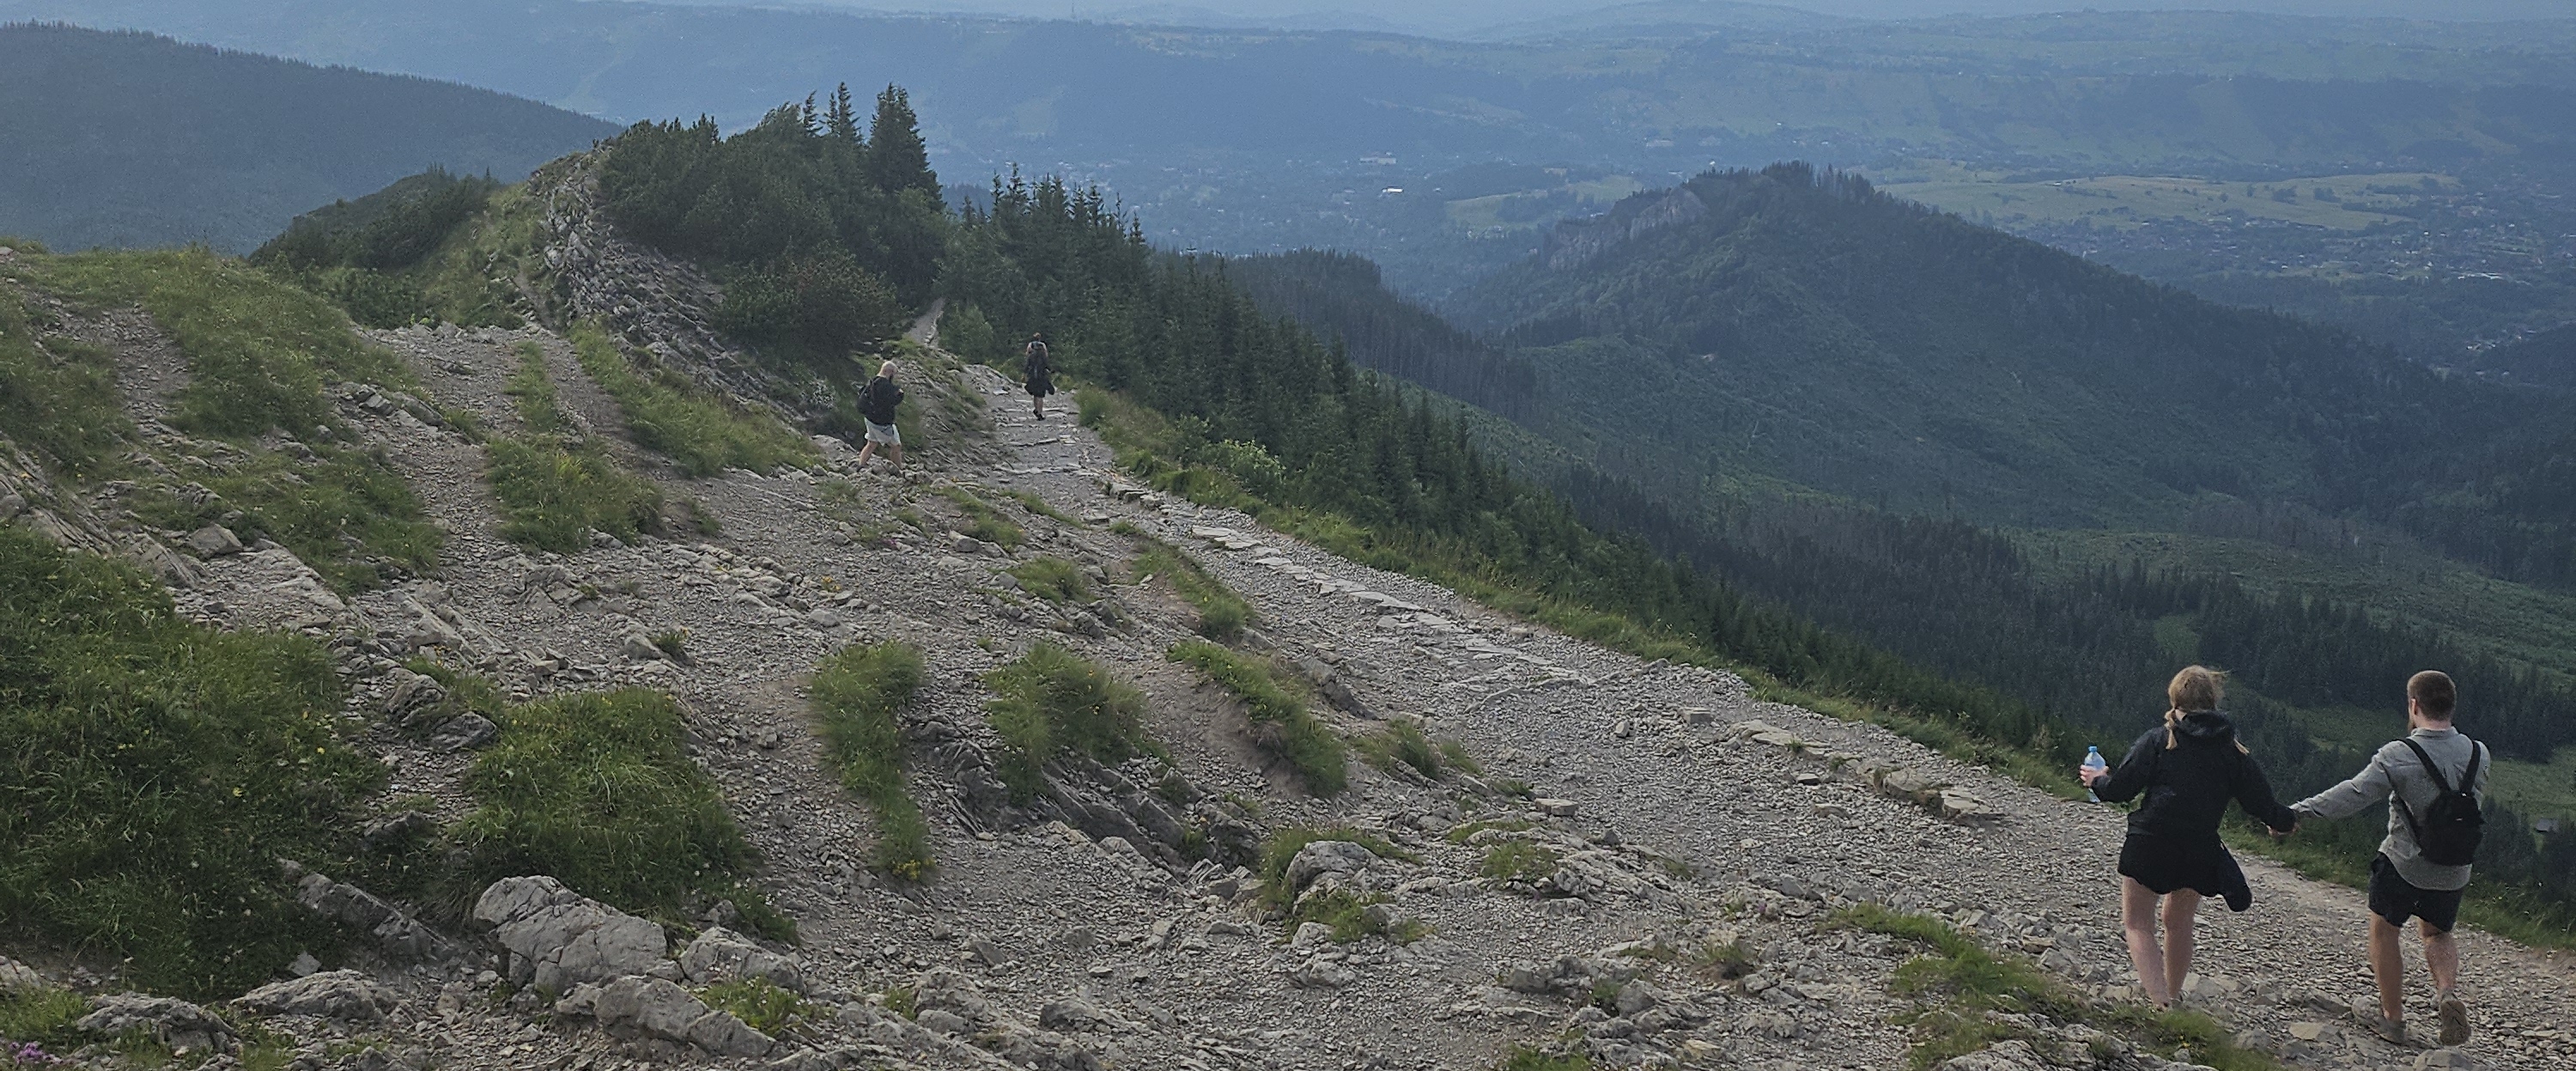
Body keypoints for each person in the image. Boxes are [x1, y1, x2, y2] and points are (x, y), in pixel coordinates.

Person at [2081, 666, 2299, 1009]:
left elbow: (2120, 790)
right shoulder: (2233, 752)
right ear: (2213, 701)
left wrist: (2097, 780)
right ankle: (2173, 995)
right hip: (2199, 847)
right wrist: (2283, 822)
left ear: (2174, 699)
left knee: (2138, 924)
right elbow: (2262, 804)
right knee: (2178, 923)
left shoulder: (2157, 740)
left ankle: (2159, 1003)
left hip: (2150, 840)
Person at [2290, 670, 2487, 1047]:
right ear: (2451, 706)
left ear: (2413, 705)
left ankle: (2392, 1019)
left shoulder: (2398, 755)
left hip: (2403, 863)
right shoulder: (2479, 752)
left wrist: (2299, 812)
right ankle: (2446, 992)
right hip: (2454, 868)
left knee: (2385, 930)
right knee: (2437, 933)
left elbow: (2354, 794)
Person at [854, 360, 904, 472]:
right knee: (896, 446)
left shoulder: (872, 381)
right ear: (889, 372)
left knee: (871, 443)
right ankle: (898, 470)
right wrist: (900, 395)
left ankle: (860, 465)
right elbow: (891, 401)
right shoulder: (885, 385)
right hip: (882, 422)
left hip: (870, 419)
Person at [1023, 333, 1054, 419]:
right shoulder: (1043, 353)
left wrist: (1024, 374)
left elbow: (1026, 366)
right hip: (1042, 376)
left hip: (1033, 376)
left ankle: (1036, 410)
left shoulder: (1031, 353)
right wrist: (1052, 371)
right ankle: (1039, 412)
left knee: (1035, 394)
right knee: (1040, 395)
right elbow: (1047, 365)